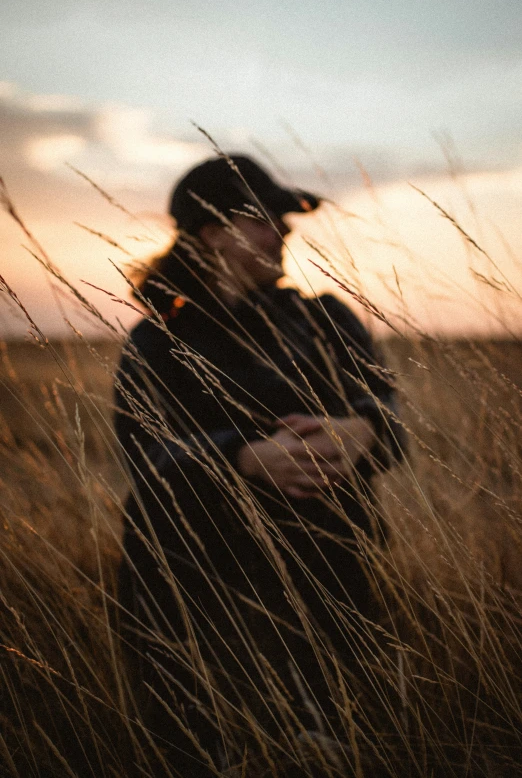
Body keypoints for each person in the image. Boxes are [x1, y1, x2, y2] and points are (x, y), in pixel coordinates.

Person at [114, 154, 403, 776]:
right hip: (206, 562)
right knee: (152, 516)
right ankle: (197, 741)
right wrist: (239, 458)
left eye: (284, 218)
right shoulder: (158, 340)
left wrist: (363, 429)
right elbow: (143, 455)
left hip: (327, 553)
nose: (285, 231)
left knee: (346, 738)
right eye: (264, 218)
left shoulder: (325, 320)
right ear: (213, 232)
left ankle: (321, 718)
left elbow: (393, 424)